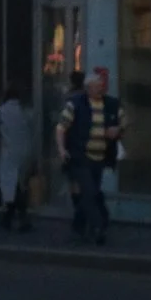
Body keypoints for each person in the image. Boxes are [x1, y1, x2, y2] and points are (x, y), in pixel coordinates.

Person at [53, 70, 121, 245]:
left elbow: (124, 119)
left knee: (91, 192)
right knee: (89, 191)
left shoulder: (109, 104)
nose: (101, 90)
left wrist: (118, 129)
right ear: (88, 88)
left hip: (100, 157)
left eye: (102, 87)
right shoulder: (75, 104)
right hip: (80, 155)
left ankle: (79, 225)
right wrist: (61, 149)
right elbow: (61, 127)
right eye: (97, 87)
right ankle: (99, 226)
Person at [0, 83, 36, 232]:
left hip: (8, 153)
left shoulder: (0, 110)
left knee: (9, 186)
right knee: (21, 184)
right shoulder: (26, 111)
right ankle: (18, 216)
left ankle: (11, 215)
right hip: (26, 151)